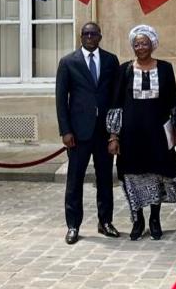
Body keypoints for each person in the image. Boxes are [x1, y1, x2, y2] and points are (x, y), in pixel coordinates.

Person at [106, 25, 176, 241]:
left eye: (144, 43)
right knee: (132, 176)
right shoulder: (124, 70)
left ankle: (155, 219)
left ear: (152, 45)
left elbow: (174, 102)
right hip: (131, 137)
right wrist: (114, 136)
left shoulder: (164, 68)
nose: (141, 47)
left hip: (158, 135)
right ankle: (138, 220)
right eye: (137, 44)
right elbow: (116, 105)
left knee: (158, 175)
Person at [56, 22, 120, 245]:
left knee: (105, 180)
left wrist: (114, 133)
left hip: (103, 132)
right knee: (75, 181)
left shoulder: (111, 61)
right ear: (80, 36)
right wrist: (65, 131)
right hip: (78, 133)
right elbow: (61, 100)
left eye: (94, 34)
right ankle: (73, 225)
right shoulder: (68, 62)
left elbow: (115, 98)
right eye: (86, 34)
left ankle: (106, 222)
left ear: (100, 37)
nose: (90, 37)